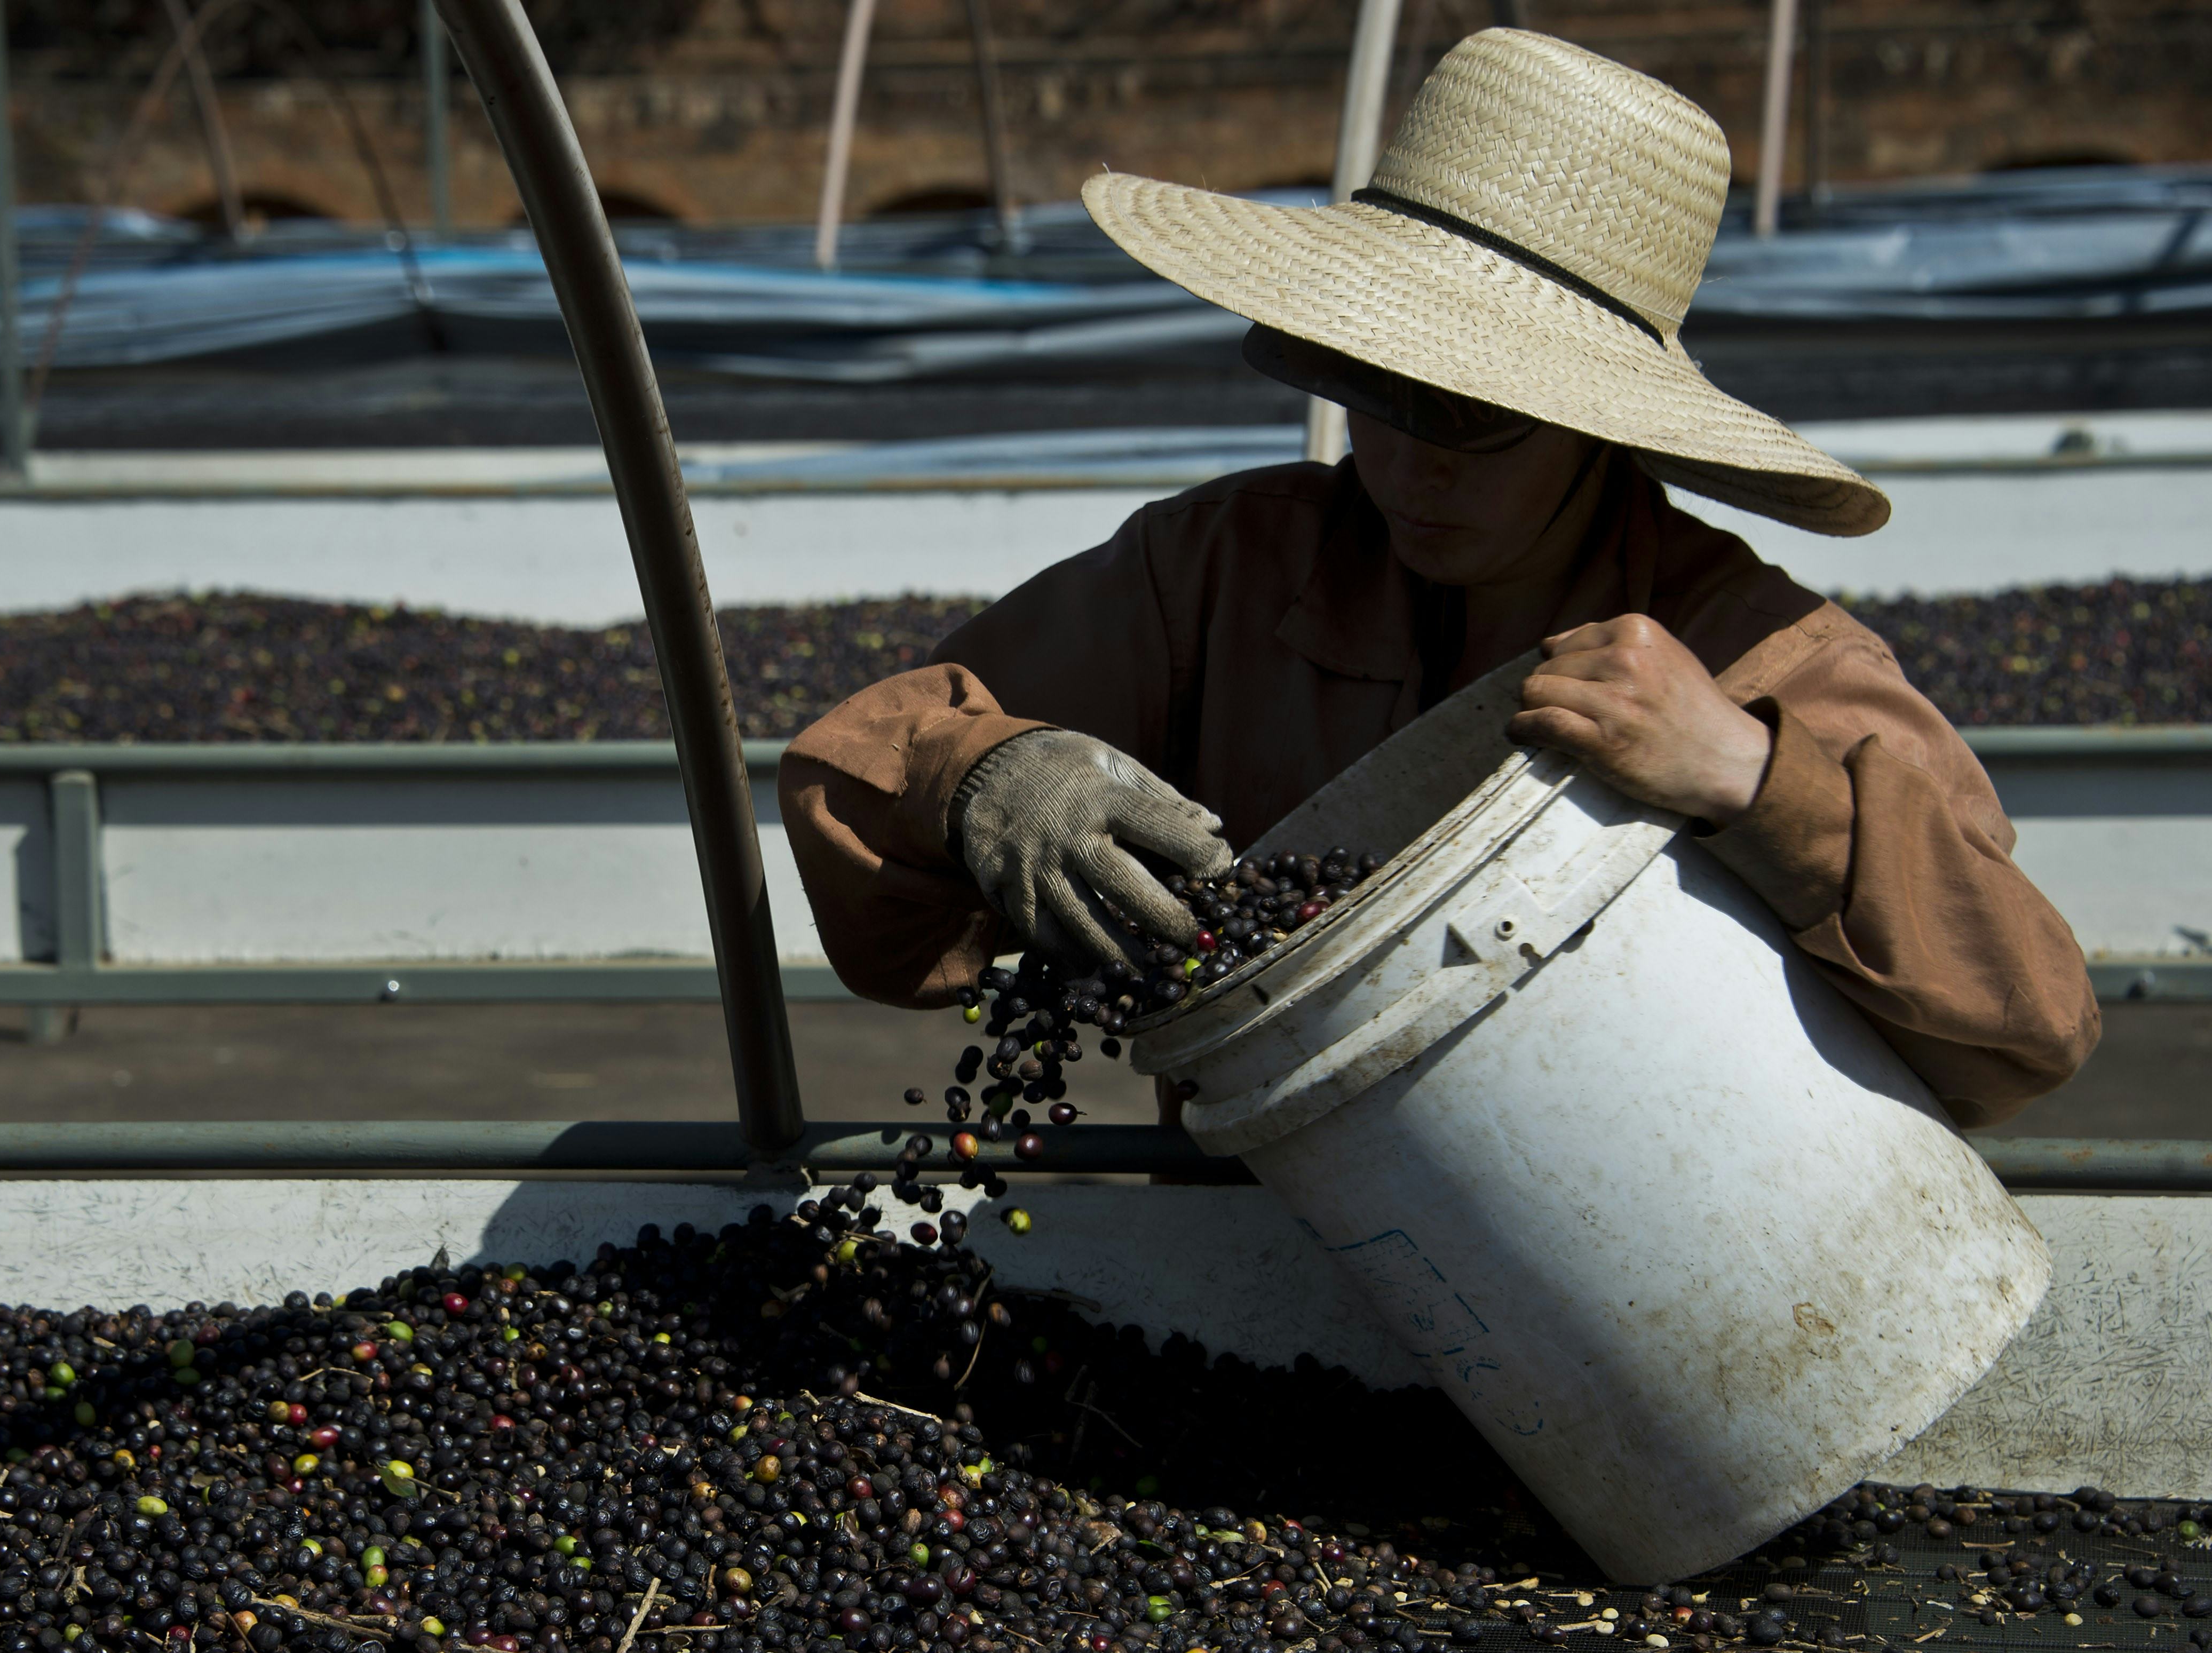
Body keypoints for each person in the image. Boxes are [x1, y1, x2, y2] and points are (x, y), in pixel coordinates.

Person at [776, 28, 2099, 1129]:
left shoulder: (1754, 654)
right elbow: (856, 777)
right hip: (1254, 1233)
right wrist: (981, 780)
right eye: (1375, 395)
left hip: (1641, 1279)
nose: (1407, 465)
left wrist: (1758, 782)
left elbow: (2027, 1024)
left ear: (1596, 423)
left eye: (1470, 419)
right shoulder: (1220, 572)